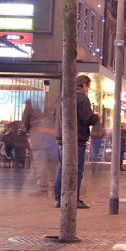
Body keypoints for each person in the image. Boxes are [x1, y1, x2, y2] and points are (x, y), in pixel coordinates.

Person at [53, 75, 100, 209]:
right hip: (76, 139)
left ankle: (58, 199)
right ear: (84, 85)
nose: (87, 90)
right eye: (88, 87)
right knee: (76, 170)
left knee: (61, 168)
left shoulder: (61, 96)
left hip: (61, 137)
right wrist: (97, 116)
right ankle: (74, 199)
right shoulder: (81, 97)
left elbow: (55, 114)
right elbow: (87, 119)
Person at [28, 107, 56, 195]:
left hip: (41, 144)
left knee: (41, 166)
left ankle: (43, 189)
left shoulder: (38, 121)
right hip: (52, 144)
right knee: (52, 166)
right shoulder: (52, 118)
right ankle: (54, 187)